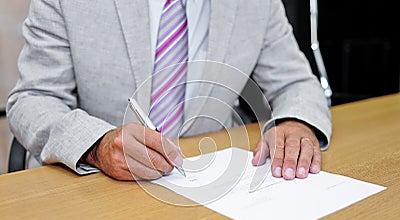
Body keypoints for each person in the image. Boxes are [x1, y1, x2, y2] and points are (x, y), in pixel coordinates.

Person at [7, 0, 331, 181]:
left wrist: (296, 121)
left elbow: (296, 83)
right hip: (99, 187)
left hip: (214, 180)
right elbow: (34, 98)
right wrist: (97, 145)